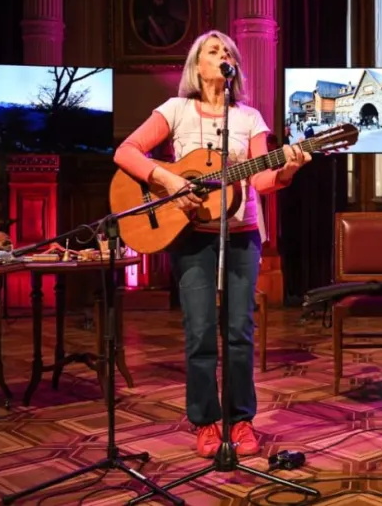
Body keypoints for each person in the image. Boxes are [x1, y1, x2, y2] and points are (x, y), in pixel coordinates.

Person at [114, 30, 311, 458]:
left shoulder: (250, 118)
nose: (222, 56)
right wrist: (168, 178)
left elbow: (260, 179)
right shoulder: (176, 110)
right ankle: (205, 421)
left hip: (241, 238)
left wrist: (287, 171)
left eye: (228, 52)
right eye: (213, 51)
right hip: (189, 237)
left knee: (239, 333)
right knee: (200, 332)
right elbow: (126, 152)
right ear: (197, 65)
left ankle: (240, 420)